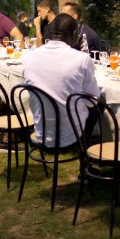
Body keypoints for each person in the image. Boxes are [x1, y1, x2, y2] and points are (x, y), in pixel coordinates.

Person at [23, 13, 100, 148]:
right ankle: (86, 150)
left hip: (41, 131)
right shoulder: (81, 59)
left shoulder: (29, 57)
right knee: (98, 104)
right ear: (75, 33)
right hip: (71, 136)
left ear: (51, 32)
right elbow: (92, 100)